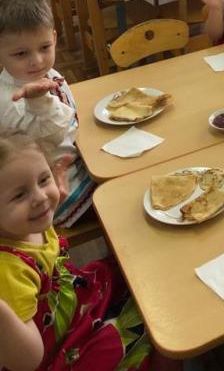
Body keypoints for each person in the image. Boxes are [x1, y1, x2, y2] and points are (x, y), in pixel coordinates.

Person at [0, 133, 153, 371]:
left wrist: (55, 190)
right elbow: (28, 362)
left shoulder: (25, 223)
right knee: (149, 324)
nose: (41, 197)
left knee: (141, 277)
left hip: (77, 300)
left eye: (43, 180)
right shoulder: (8, 272)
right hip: (60, 348)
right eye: (20, 195)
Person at [0, 0, 93, 227]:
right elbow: (51, 137)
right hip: (57, 190)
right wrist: (38, 102)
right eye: (21, 53)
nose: (37, 60)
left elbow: (70, 121)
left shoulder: (42, 74)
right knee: (121, 194)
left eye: (44, 47)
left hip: (78, 159)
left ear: (54, 38)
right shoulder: (12, 101)